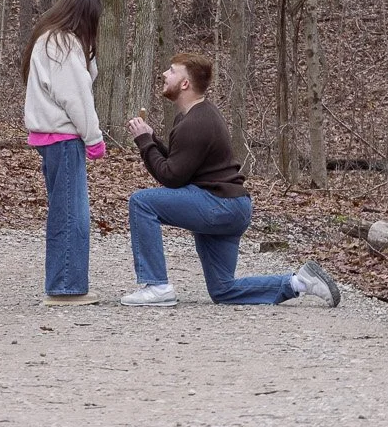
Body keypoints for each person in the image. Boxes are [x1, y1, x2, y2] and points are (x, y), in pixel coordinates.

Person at [122, 54, 341, 308]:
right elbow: (179, 163)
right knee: (223, 290)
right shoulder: (194, 116)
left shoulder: (196, 122)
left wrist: (144, 142)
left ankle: (157, 285)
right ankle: (300, 283)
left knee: (142, 203)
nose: (164, 74)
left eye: (171, 71)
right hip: (230, 206)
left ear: (184, 84)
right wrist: (151, 140)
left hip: (219, 205)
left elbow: (171, 177)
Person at [22, 0, 106, 302]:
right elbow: (77, 97)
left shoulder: (48, 40)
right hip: (65, 138)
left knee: (63, 211)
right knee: (72, 215)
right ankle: (66, 286)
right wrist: (94, 138)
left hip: (49, 138)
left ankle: (63, 283)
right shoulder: (63, 44)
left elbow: (79, 80)